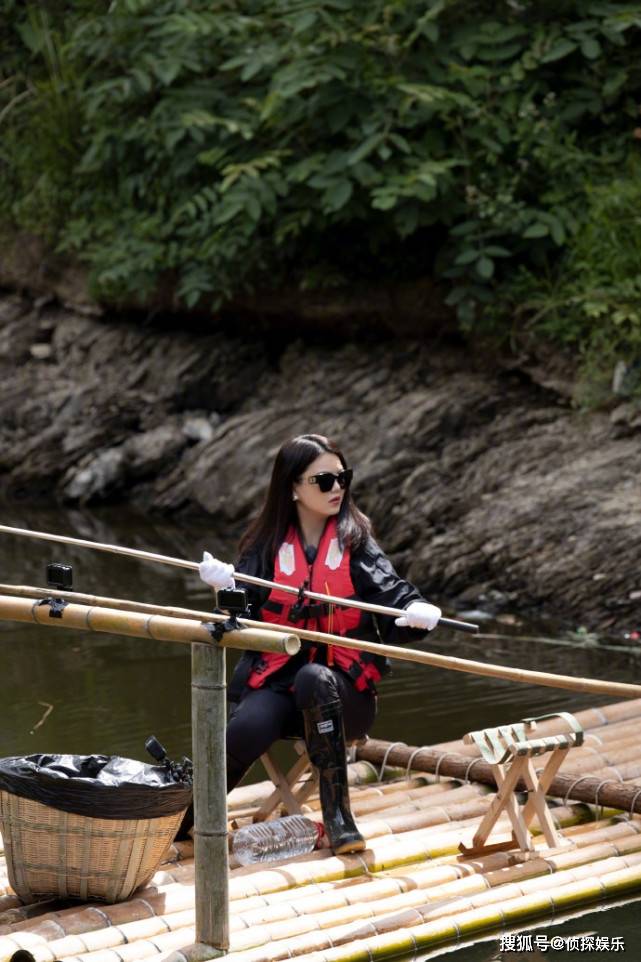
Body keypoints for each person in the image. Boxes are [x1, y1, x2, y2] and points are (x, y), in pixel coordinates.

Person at [199, 433, 441, 854]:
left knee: (315, 676)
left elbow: (394, 593)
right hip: (279, 685)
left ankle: (339, 820)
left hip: (344, 696)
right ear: (292, 487)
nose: (337, 488)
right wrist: (226, 587)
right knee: (248, 725)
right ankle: (189, 818)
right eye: (323, 481)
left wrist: (418, 611)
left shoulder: (356, 541)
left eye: (341, 477)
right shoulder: (266, 546)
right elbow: (241, 613)